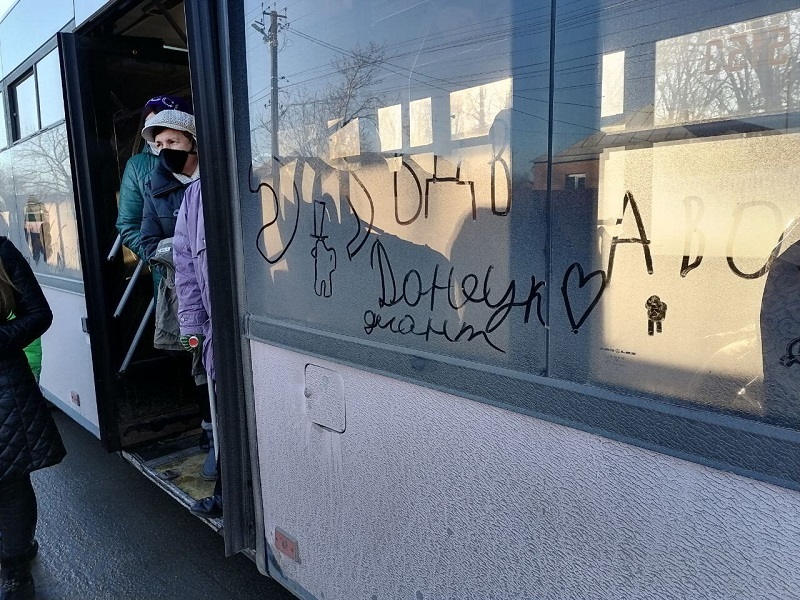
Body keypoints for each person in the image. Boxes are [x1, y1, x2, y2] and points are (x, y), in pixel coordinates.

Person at [140, 109, 215, 460]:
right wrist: (173, 250)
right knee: (199, 363)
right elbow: (145, 238)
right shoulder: (155, 187)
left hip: (214, 286)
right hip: (182, 287)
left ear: (193, 142)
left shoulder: (214, 179)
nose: (165, 149)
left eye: (173, 141)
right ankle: (211, 433)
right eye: (159, 144)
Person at [0, 236, 66, 600]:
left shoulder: (1, 251)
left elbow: (39, 314)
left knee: (10, 483)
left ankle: (16, 569)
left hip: (3, 386)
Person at [174, 179, 222, 518]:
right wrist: (192, 327)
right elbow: (186, 265)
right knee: (226, 409)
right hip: (219, 328)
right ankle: (226, 492)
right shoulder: (194, 194)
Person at [116, 95, 192, 261]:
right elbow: (128, 224)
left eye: (172, 141)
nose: (155, 126)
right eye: (149, 124)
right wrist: (160, 258)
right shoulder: (137, 166)